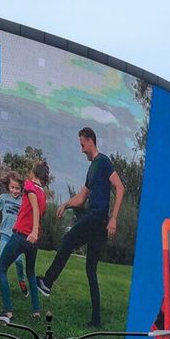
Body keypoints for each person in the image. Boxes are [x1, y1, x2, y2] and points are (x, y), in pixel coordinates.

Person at [37, 126, 125, 328]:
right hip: (97, 221)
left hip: (97, 218)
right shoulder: (91, 169)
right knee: (90, 270)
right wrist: (66, 204)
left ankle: (47, 283)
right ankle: (96, 320)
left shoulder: (103, 161)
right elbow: (82, 197)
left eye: (82, 144)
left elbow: (120, 187)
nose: (81, 149)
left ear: (90, 141)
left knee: (68, 240)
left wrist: (114, 218)